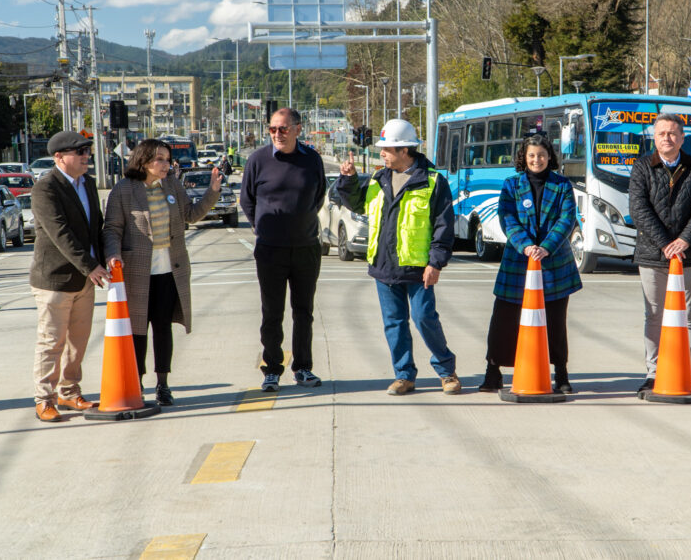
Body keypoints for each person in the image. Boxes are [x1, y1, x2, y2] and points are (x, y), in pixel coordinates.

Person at [337, 119, 460, 396]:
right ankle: (404, 375)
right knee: (394, 324)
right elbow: (356, 203)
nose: (381, 153)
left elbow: (444, 226)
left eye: (387, 149)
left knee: (424, 318)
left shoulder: (433, 182)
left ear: (405, 150)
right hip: (385, 267)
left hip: (418, 268)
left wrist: (435, 263)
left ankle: (447, 372)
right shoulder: (379, 179)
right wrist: (348, 179)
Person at [103, 139, 221, 406]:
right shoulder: (123, 190)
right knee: (137, 331)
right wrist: (113, 254)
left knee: (163, 329)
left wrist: (212, 192)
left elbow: (190, 215)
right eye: (160, 159)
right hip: (136, 271)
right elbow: (112, 229)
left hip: (170, 269)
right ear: (143, 161)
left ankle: (163, 384)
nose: (166, 165)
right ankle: (137, 383)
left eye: (167, 160)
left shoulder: (172, 185)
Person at [479, 135, 581, 393]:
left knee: (555, 321)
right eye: (532, 155)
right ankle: (493, 371)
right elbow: (507, 218)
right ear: (524, 157)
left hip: (554, 262)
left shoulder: (562, 185)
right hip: (518, 261)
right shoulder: (511, 185)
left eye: (542, 155)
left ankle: (561, 372)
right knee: (504, 318)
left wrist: (546, 247)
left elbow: (567, 219)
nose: (537, 160)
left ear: (550, 157)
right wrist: (526, 245)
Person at [240, 108, 326, 392]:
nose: (277, 134)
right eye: (273, 129)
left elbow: (318, 195)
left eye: (284, 129)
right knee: (272, 312)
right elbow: (247, 200)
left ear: (298, 129)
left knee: (304, 312)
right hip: (270, 250)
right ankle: (272, 369)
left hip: (306, 249)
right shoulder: (258, 160)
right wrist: (262, 227)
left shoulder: (312, 159)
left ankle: (302, 368)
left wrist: (300, 224)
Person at [629, 113, 691, 398]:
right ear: (654, 137)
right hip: (652, 255)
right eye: (662, 133)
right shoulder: (642, 167)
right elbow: (639, 209)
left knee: (687, 316)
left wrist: (684, 241)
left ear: (682, 138)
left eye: (673, 133)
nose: (667, 138)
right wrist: (666, 243)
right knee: (654, 315)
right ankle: (653, 374)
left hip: (686, 257)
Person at [30, 131, 110, 422]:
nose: (86, 156)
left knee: (78, 341)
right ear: (59, 157)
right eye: (79, 152)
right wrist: (91, 266)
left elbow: (95, 228)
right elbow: (60, 234)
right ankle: (44, 398)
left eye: (87, 151)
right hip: (55, 279)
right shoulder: (45, 188)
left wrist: (101, 261)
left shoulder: (87, 184)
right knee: (52, 341)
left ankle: (69, 391)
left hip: (85, 279)